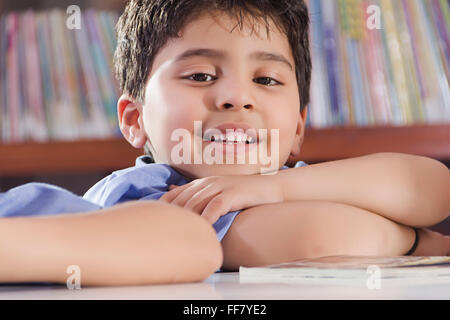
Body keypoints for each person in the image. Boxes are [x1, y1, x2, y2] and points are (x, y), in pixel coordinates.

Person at [1, 0, 449, 285]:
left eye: (266, 79)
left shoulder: (284, 182)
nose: (236, 96)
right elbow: (321, 237)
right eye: (200, 76)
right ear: (135, 120)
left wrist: (273, 188)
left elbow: (431, 187)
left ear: (297, 128)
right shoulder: (146, 195)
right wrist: (417, 240)